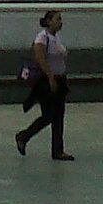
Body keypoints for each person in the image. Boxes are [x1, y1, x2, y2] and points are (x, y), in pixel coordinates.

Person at [15, 10, 72, 161]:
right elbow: (40, 58)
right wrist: (51, 78)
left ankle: (58, 150)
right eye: (57, 19)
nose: (61, 22)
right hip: (47, 82)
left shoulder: (56, 37)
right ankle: (23, 136)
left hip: (60, 79)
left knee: (58, 116)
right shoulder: (42, 37)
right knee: (49, 115)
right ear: (48, 21)